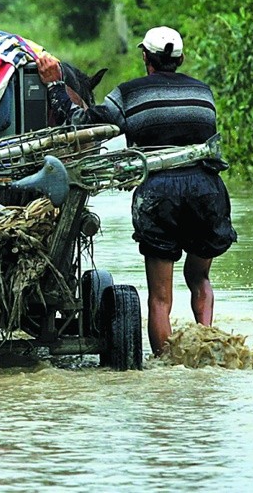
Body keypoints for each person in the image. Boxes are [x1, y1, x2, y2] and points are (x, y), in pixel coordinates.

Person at [36, 26, 237, 356]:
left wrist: (56, 85)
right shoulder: (203, 92)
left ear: (145, 57)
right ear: (181, 59)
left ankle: (163, 367)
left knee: (160, 296)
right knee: (199, 278)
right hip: (208, 190)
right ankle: (208, 351)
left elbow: (79, 125)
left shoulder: (130, 93)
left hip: (159, 191)